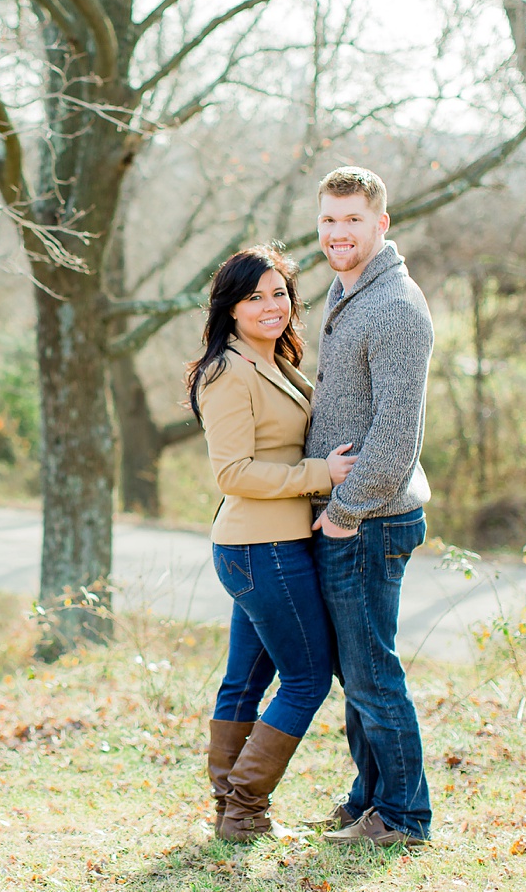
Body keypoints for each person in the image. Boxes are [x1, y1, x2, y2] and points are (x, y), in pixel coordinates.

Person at [186, 245, 357, 843]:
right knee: (307, 680)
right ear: (230, 308)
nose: (270, 305)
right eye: (253, 296)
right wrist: (320, 476)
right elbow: (232, 472)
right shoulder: (228, 372)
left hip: (263, 547)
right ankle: (245, 809)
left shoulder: (273, 361)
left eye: (278, 293)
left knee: (245, 681)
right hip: (263, 549)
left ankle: (228, 810)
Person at [304, 166, 434, 848]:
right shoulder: (348, 287)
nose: (337, 233)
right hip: (351, 514)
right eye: (328, 220)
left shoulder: (397, 306)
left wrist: (344, 510)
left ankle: (406, 815)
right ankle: (369, 799)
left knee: (372, 669)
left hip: (371, 520)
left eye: (351, 219)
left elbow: (396, 435)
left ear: (380, 224)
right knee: (355, 669)